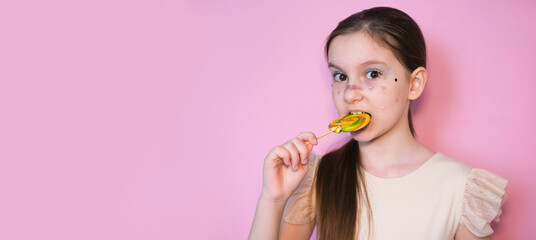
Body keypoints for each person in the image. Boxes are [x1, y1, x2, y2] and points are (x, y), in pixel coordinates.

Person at [249, 6, 507, 240]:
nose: (350, 93)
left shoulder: (460, 188)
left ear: (414, 84)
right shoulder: (319, 177)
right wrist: (272, 199)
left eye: (372, 73)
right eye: (340, 76)